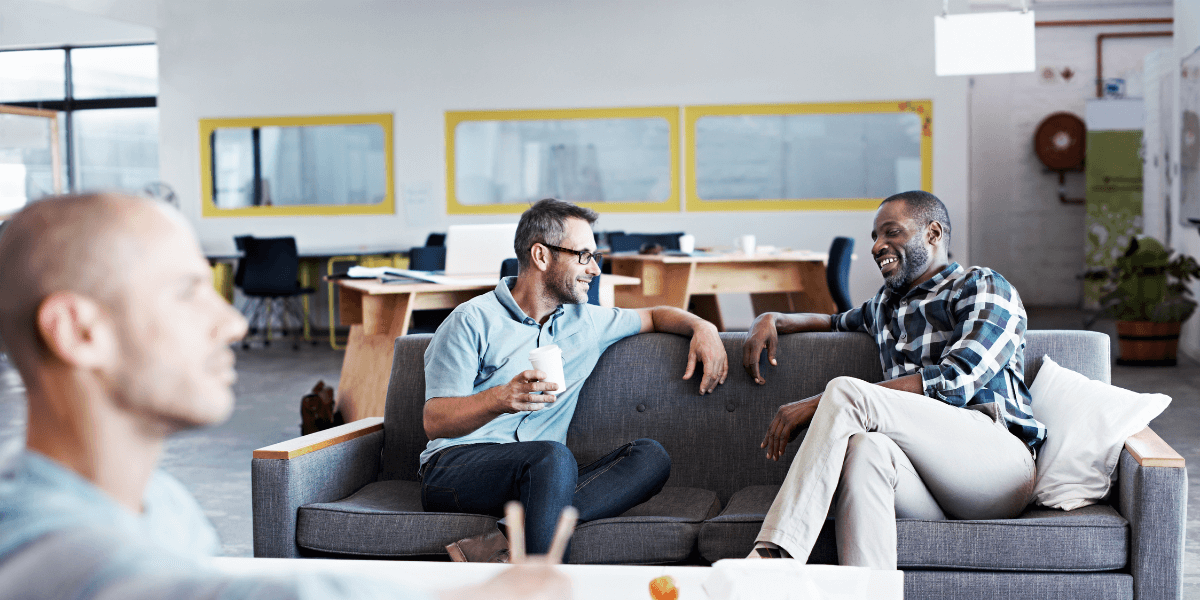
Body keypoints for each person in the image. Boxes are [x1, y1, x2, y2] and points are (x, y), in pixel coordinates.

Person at [0, 192, 570, 600]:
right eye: (186, 292)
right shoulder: (46, 553)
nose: (233, 323)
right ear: (78, 332)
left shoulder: (160, 502)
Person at [741, 191, 1045, 569]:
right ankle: (868, 590)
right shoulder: (884, 306)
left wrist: (820, 403)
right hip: (926, 482)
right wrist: (769, 318)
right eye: (875, 236)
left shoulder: (982, 286)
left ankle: (774, 557)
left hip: (998, 466)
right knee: (866, 449)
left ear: (933, 234)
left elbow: (956, 379)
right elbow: (832, 321)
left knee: (845, 390)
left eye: (892, 232)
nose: (877, 246)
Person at [421, 198, 728, 557]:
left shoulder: (588, 322)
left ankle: (503, 541)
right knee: (553, 457)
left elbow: (656, 315)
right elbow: (434, 421)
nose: (595, 269)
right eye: (584, 256)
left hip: (542, 477)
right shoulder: (471, 320)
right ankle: (544, 582)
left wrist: (703, 327)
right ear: (541, 256)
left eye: (595, 256)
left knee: (650, 457)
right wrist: (499, 399)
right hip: (456, 468)